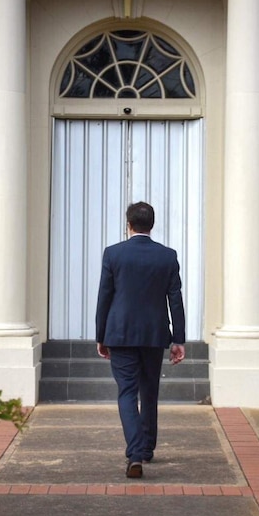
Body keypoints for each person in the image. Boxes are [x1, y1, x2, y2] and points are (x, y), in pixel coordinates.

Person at [95, 201, 186, 479]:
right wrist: (178, 339)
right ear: (152, 225)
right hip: (154, 334)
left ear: (129, 224)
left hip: (120, 333)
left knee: (126, 392)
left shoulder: (113, 254)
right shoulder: (167, 256)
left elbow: (104, 297)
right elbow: (175, 300)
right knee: (149, 391)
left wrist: (101, 336)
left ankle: (135, 453)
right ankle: (146, 448)